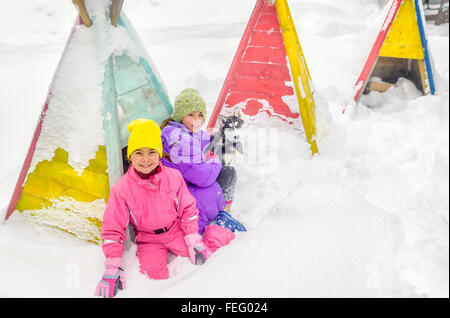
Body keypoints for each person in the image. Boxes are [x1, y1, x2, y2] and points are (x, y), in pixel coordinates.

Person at [95, 119, 234, 298]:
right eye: (139, 153)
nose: (145, 159)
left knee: (204, 259)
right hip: (149, 239)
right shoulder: (122, 189)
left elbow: (188, 208)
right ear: (130, 156)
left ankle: (219, 230)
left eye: (152, 152)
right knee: (153, 279)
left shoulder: (173, 177)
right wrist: (112, 266)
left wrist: (192, 238)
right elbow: (113, 228)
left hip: (175, 231)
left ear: (159, 154)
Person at [160, 88, 246, 234]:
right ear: (180, 116)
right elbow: (203, 177)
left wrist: (218, 137)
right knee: (228, 173)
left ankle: (222, 210)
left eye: (200, 115)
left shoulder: (179, 131)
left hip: (183, 184)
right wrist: (215, 162)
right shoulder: (181, 139)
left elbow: (204, 139)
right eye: (191, 114)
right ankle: (223, 212)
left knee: (224, 166)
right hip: (185, 192)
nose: (197, 120)